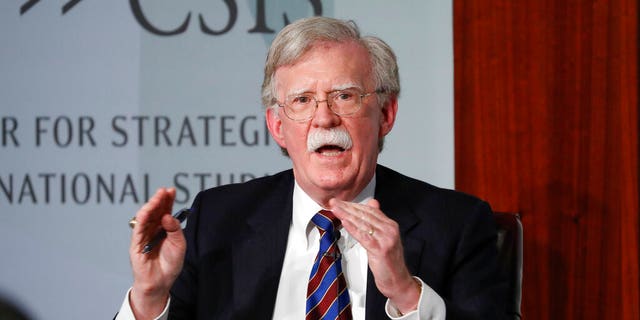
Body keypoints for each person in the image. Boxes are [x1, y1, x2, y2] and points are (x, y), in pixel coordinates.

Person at [116, 16, 506, 320]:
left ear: (385, 114)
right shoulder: (218, 220)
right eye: (302, 100)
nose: (324, 119)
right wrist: (149, 298)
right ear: (277, 127)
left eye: (345, 96)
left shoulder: (457, 224)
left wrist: (404, 292)